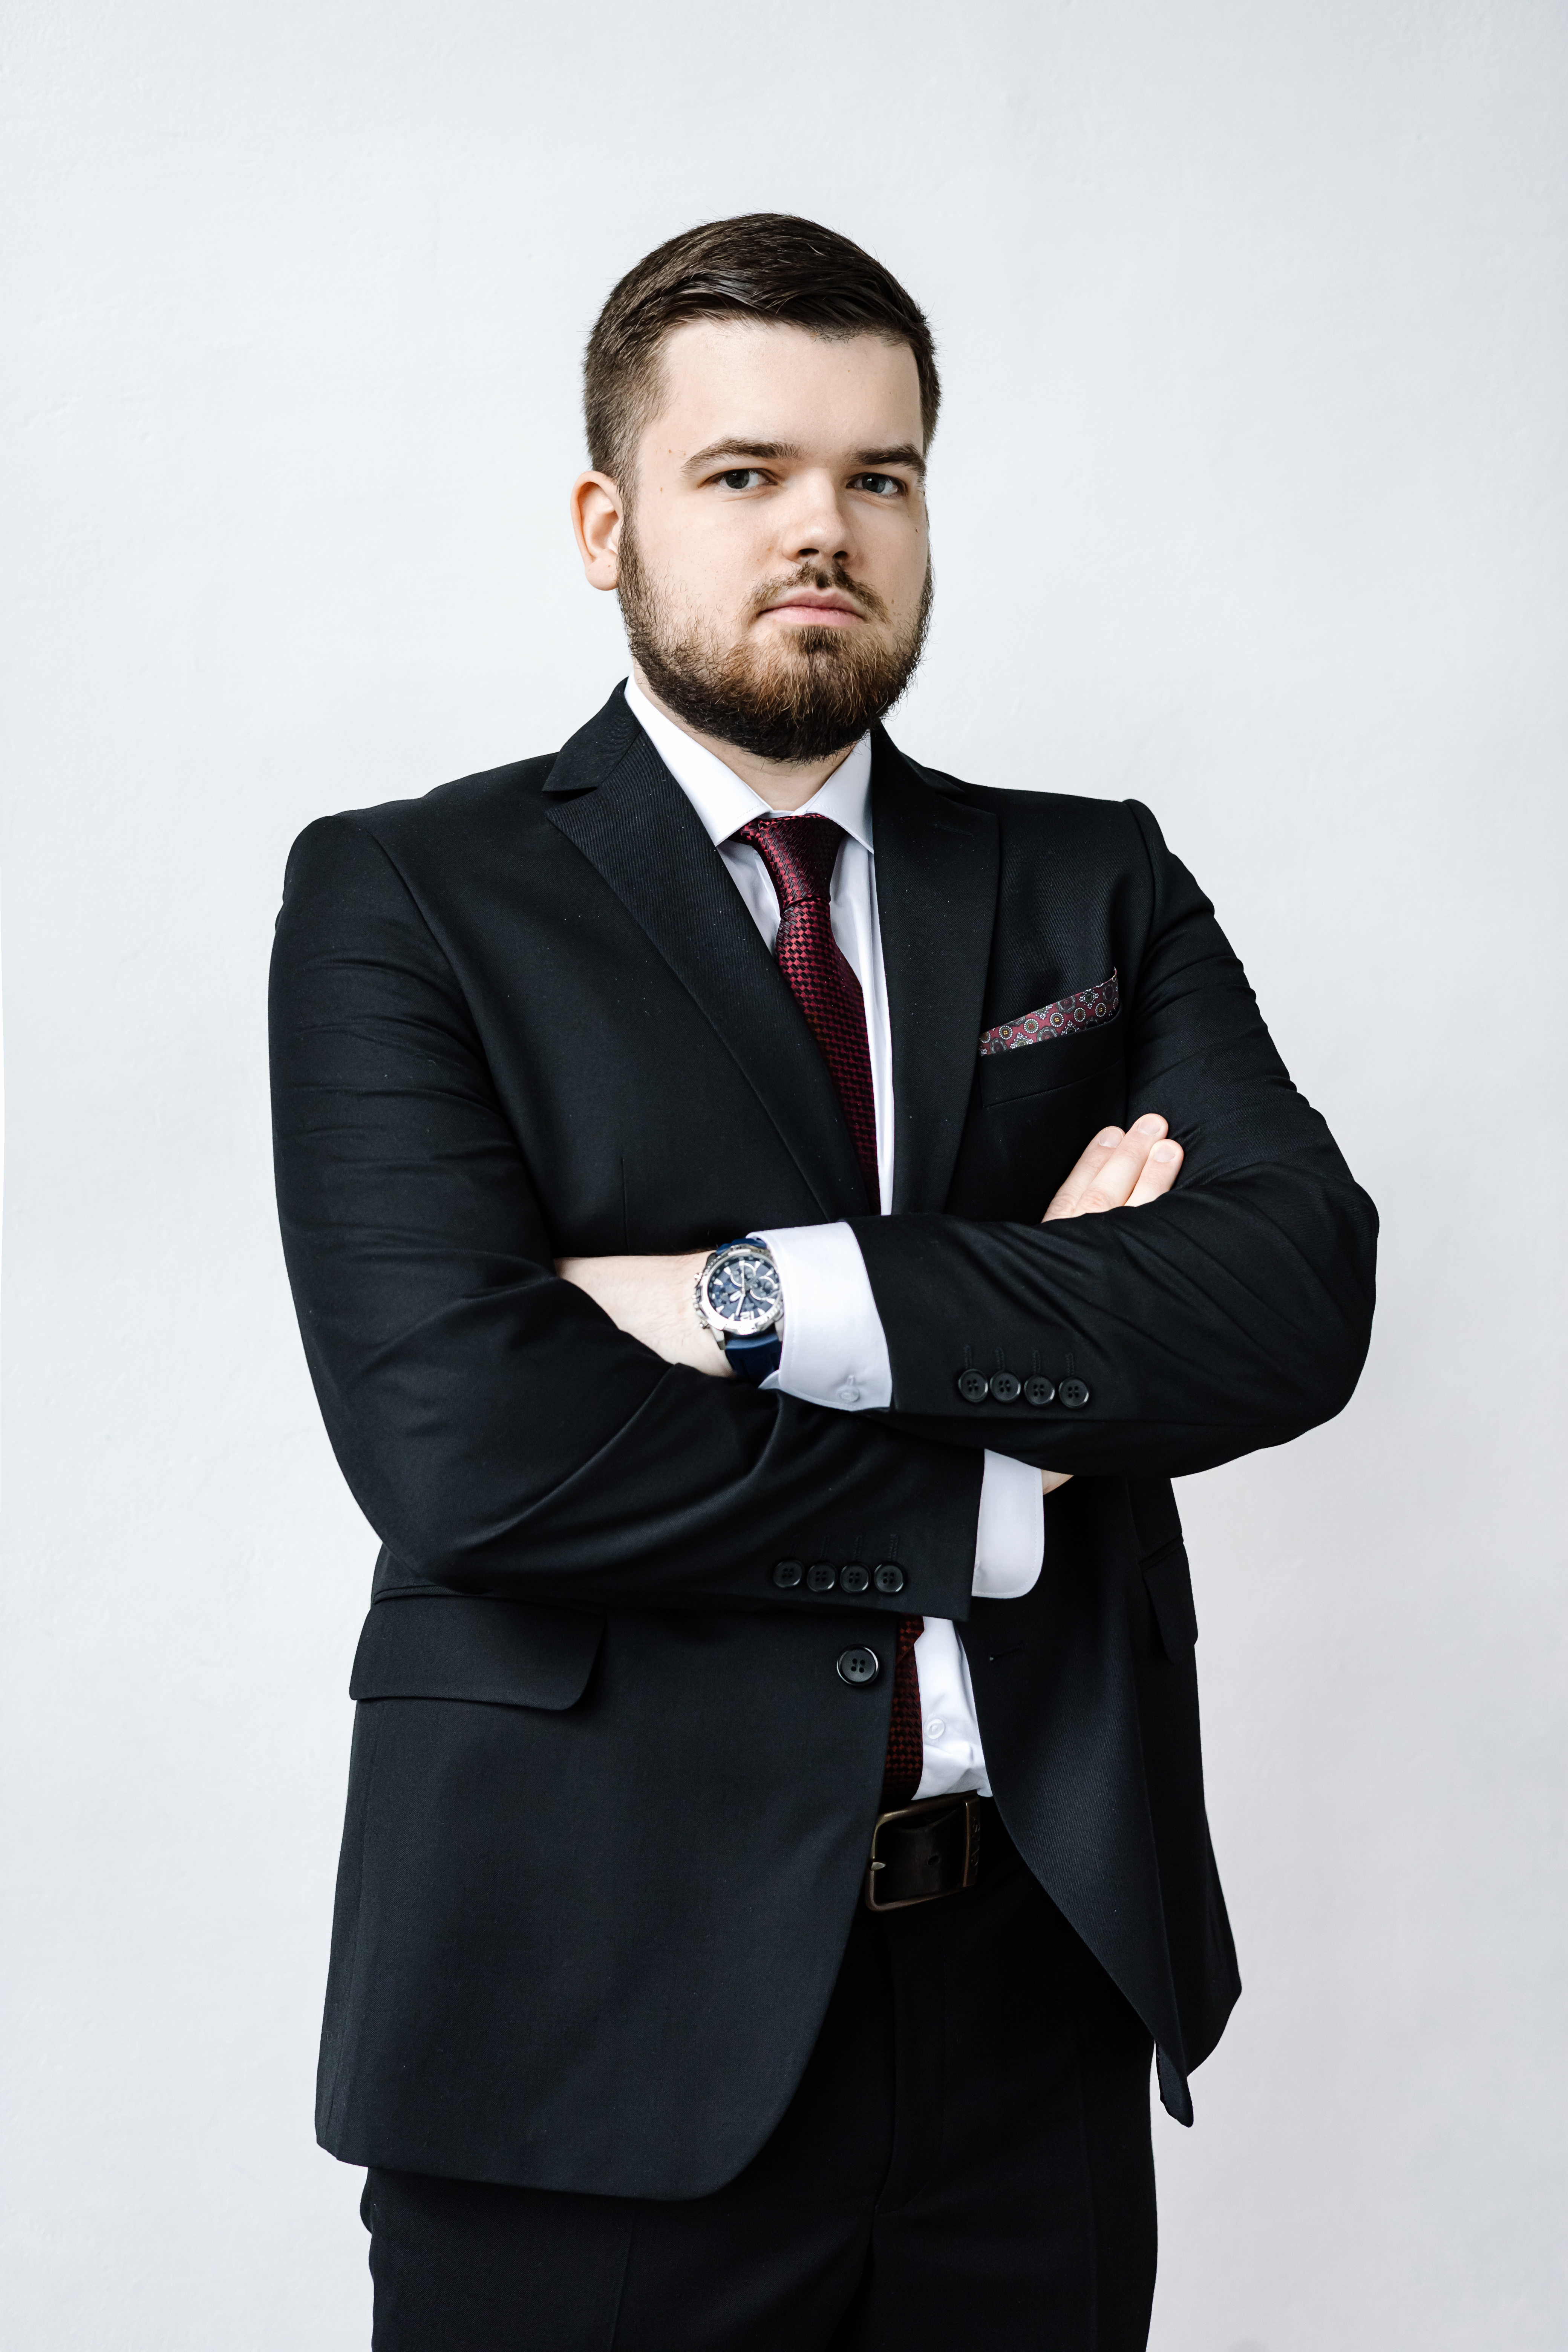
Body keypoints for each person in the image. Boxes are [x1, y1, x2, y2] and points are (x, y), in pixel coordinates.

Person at [269, 213, 1377, 2350]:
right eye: (745, 472)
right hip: (585, 2016)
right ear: (606, 526)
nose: (825, 530)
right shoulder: (408, 895)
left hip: (1035, 1990)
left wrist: (758, 1304)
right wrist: (1009, 1458)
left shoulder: (1092, 879)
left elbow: (1292, 1300)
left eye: (881, 475)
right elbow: (472, 1448)